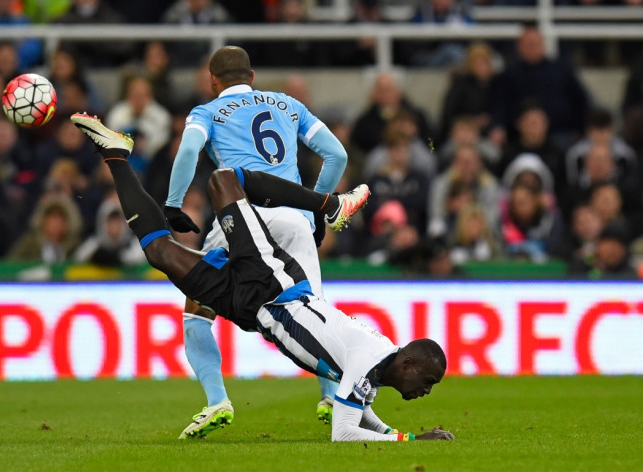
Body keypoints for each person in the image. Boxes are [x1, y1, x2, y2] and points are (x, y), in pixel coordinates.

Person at [70, 112, 454, 442]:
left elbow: (359, 412)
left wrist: (391, 434)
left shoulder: (376, 366)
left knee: (159, 253)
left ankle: (116, 155)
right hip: (274, 285)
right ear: (409, 366)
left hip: (251, 310)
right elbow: (344, 432)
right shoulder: (367, 357)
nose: (427, 390)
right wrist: (412, 441)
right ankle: (329, 204)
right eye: (429, 381)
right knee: (223, 180)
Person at [162, 46, 349, 438]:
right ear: (252, 76)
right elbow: (336, 155)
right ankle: (332, 397)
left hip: (239, 219)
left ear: (213, 80)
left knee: (197, 314)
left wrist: (174, 203)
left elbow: (190, 150)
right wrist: (314, 209)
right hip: (294, 222)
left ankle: (216, 402)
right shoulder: (288, 104)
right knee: (314, 313)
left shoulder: (207, 112)